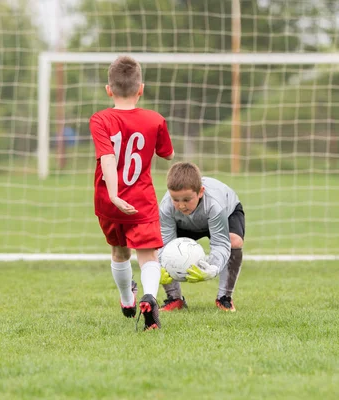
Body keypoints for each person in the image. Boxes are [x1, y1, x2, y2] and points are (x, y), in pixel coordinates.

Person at [90, 55, 174, 330]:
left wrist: (114, 195)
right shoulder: (155, 120)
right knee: (148, 256)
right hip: (141, 199)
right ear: (141, 88)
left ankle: (127, 299)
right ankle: (149, 297)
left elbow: (108, 159)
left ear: (109, 89)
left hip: (109, 200)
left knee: (119, 252)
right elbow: (167, 153)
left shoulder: (100, 119)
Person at [158, 162, 245, 312]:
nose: (181, 205)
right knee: (154, 243)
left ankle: (224, 298)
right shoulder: (166, 207)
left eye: (186, 199)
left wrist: (213, 269)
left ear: (200, 192)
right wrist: (159, 267)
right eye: (176, 199)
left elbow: (220, 244)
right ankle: (174, 298)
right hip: (185, 223)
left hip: (226, 214)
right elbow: (164, 243)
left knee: (234, 241)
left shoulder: (214, 205)